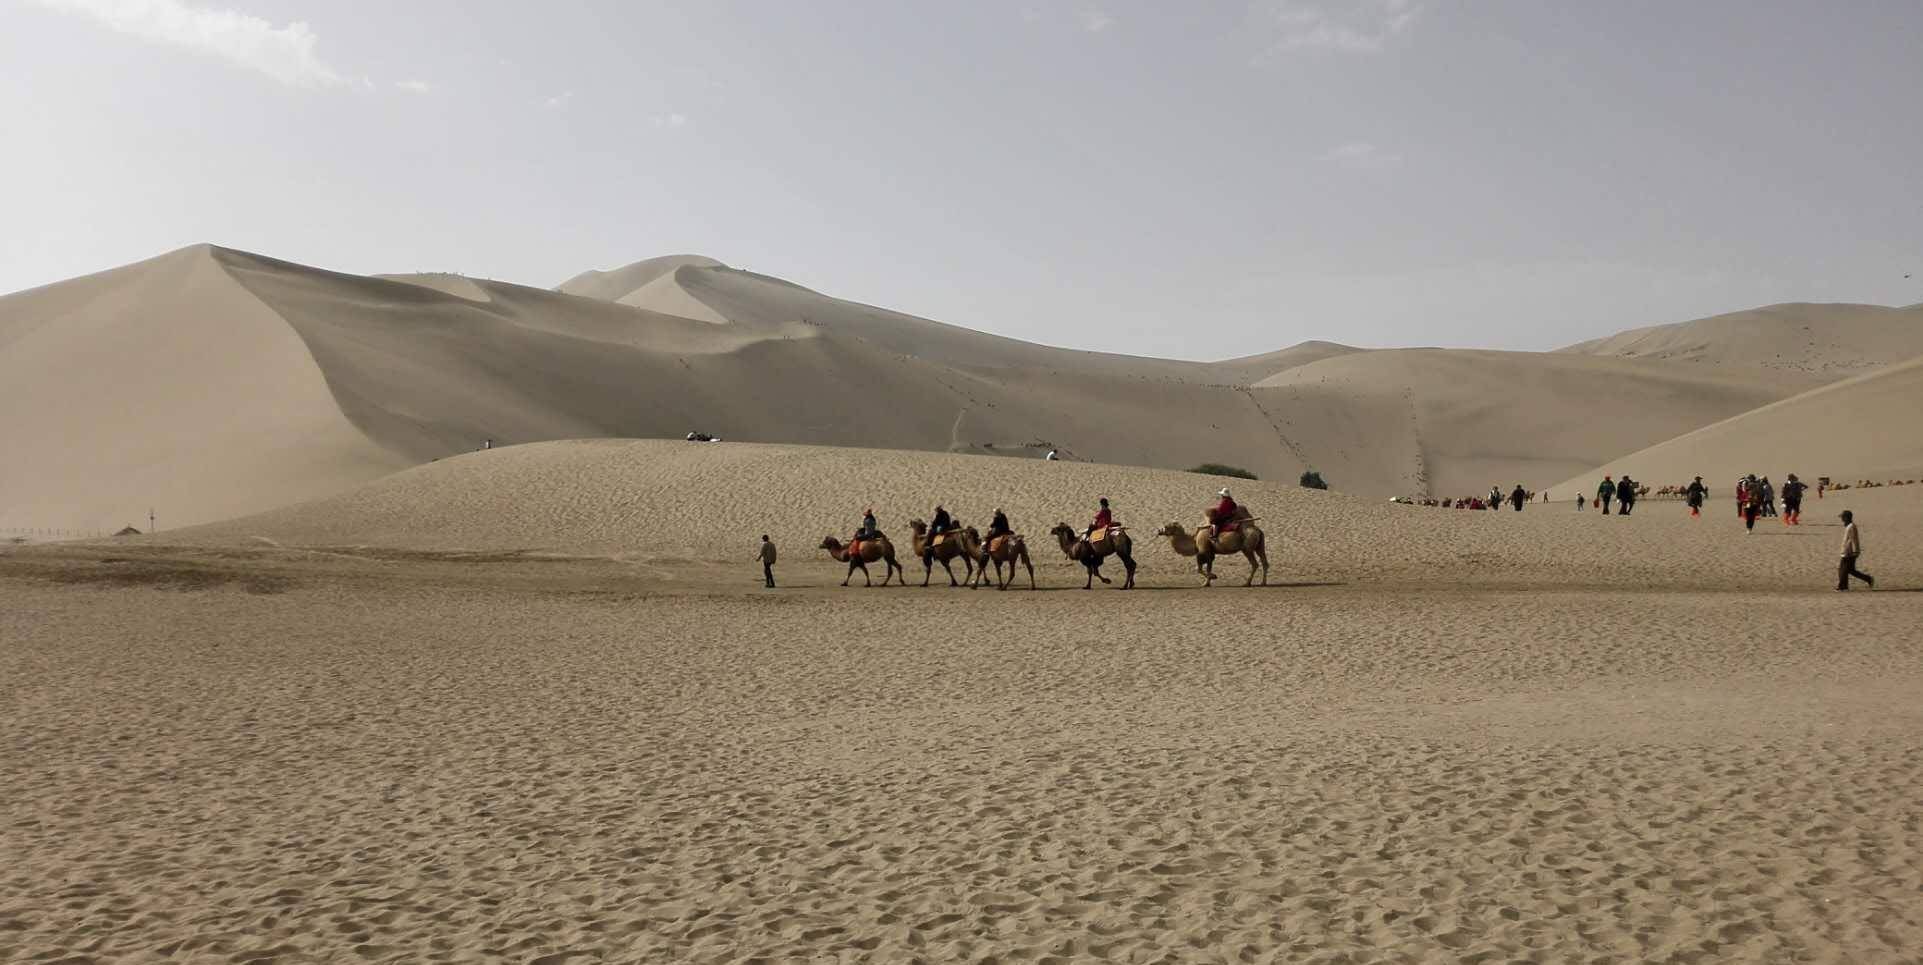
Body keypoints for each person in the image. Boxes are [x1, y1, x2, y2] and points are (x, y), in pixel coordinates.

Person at [1837, 510, 1874, 591]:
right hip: (1847, 551)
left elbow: (1854, 540)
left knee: (1842, 569)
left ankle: (1842, 587)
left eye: (1842, 517)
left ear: (1846, 517)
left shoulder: (1851, 527)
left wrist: (1855, 551)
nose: (1841, 519)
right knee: (1850, 570)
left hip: (1849, 552)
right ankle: (1868, 579)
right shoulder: (1848, 526)